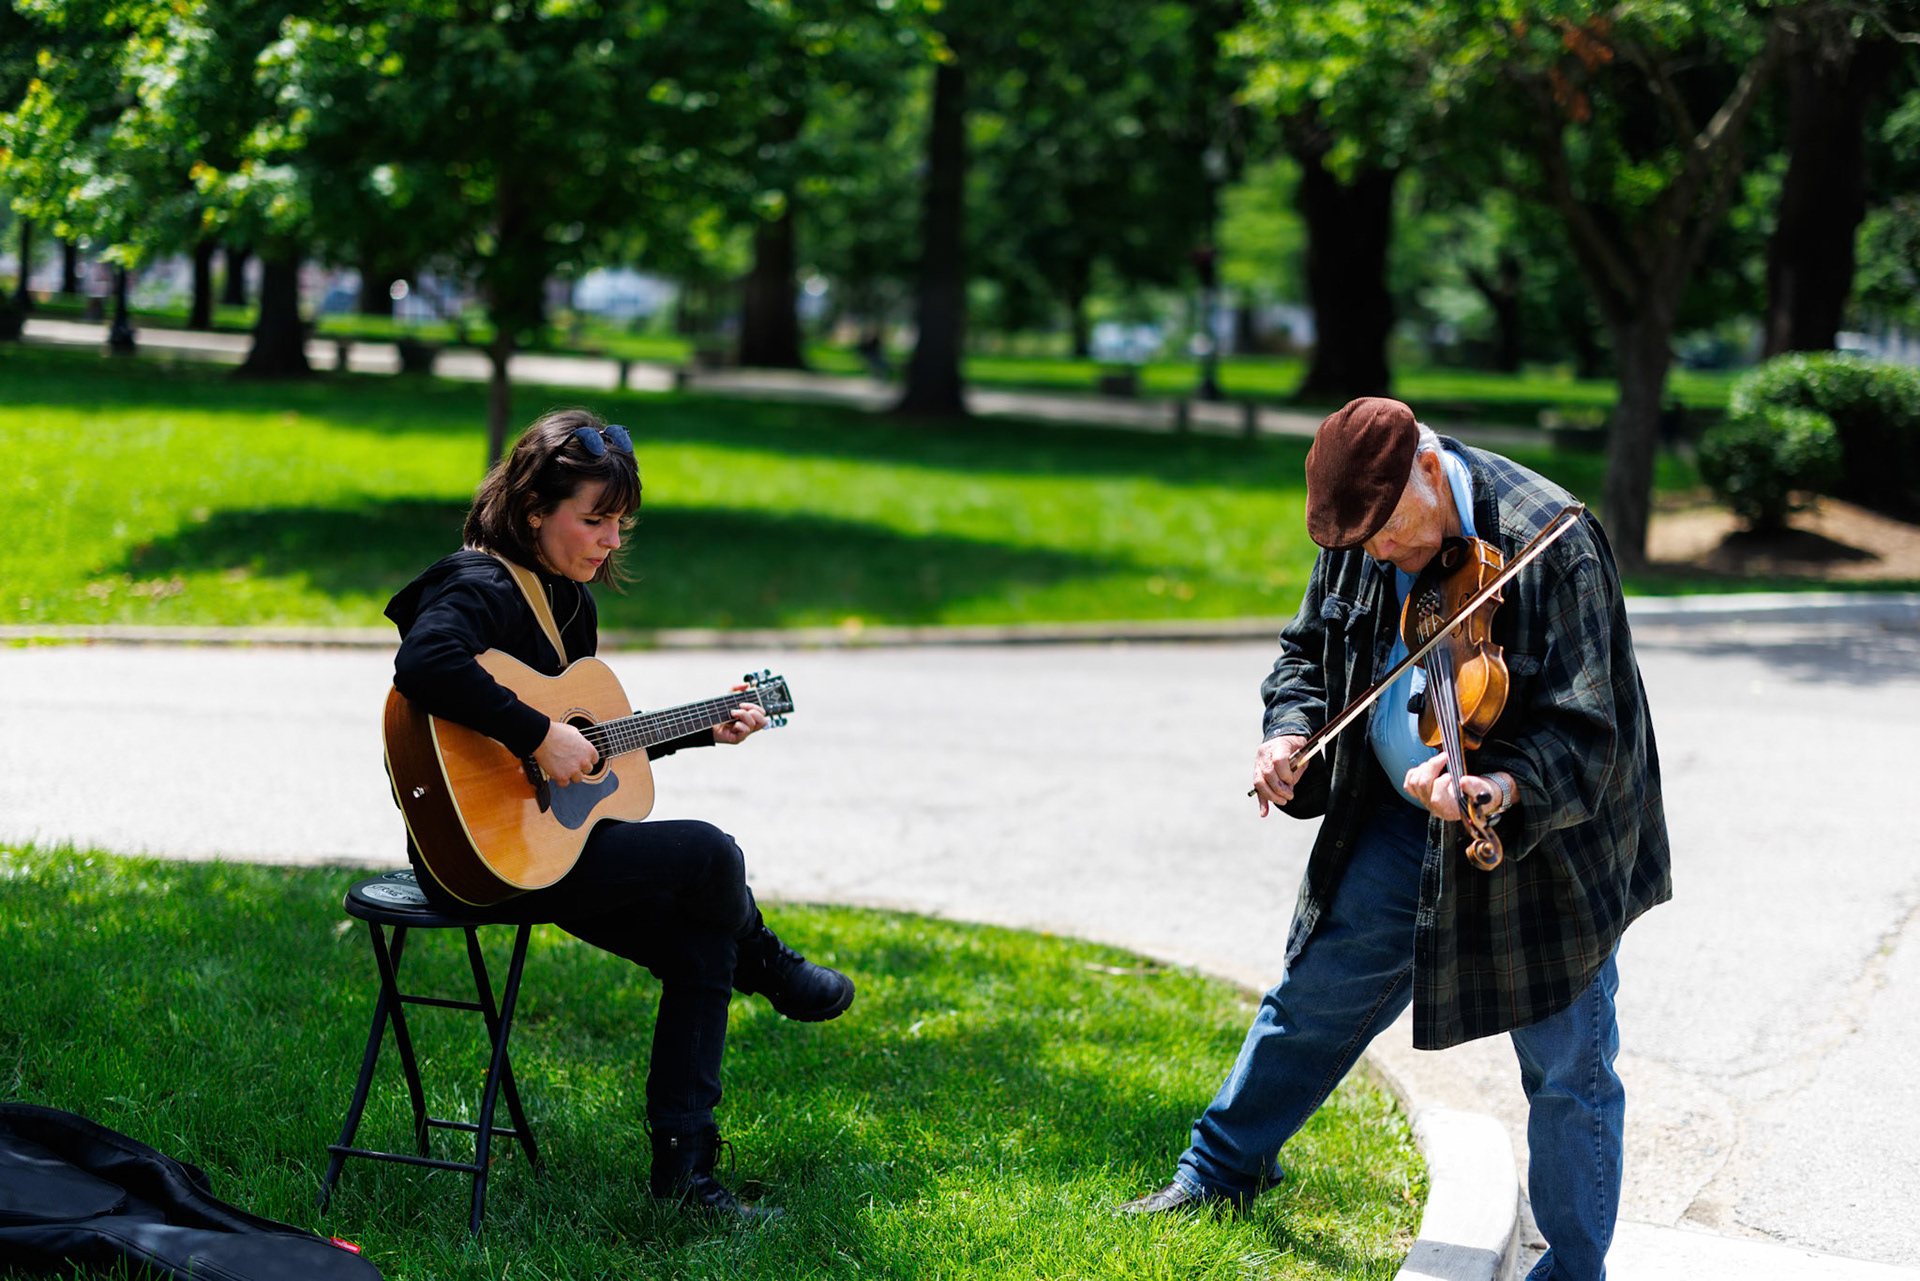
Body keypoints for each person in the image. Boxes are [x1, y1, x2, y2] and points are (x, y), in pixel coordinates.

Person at [1119, 397, 1670, 1281]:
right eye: (1361, 543)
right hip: (1394, 817)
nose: (1378, 554)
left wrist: (1491, 784)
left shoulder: (1553, 539)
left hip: (1542, 844)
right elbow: (1303, 654)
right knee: (1311, 1000)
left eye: (1388, 533)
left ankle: (1571, 1272)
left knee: (1568, 1071)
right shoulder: (1360, 534)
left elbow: (1587, 732)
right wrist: (1287, 729)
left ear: (1424, 462)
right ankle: (1217, 1171)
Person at [383, 407, 855, 1223]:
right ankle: (767, 962)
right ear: (535, 508)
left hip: (551, 854)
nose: (609, 541)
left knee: (698, 943)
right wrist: (533, 730)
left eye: (620, 525)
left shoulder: (571, 607)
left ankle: (687, 1174)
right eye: (593, 519)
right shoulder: (478, 582)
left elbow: (587, 755)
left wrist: (698, 731)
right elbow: (425, 663)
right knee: (710, 852)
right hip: (479, 860)